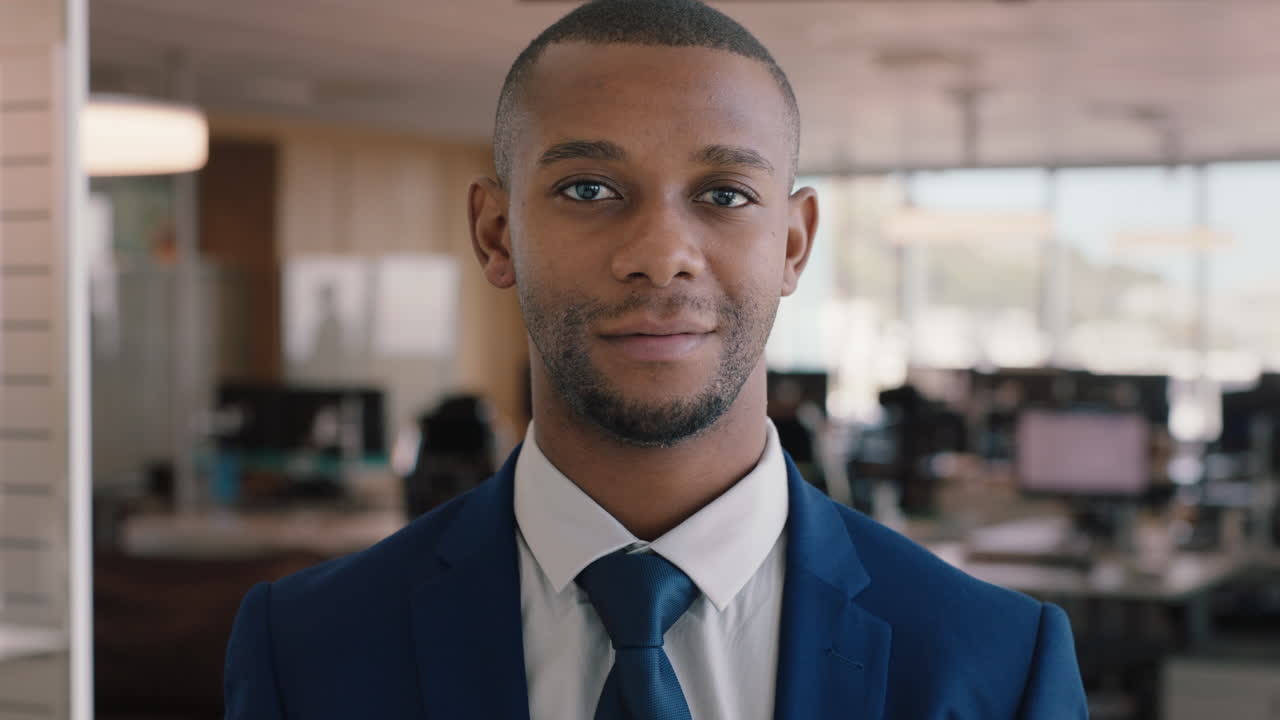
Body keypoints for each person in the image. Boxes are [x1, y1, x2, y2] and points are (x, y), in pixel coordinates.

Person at [223, 1, 1088, 718]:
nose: (661, 253)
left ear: (793, 245)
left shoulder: (998, 663)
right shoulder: (309, 647)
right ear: (497, 234)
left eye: (723, 195)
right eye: (589, 189)